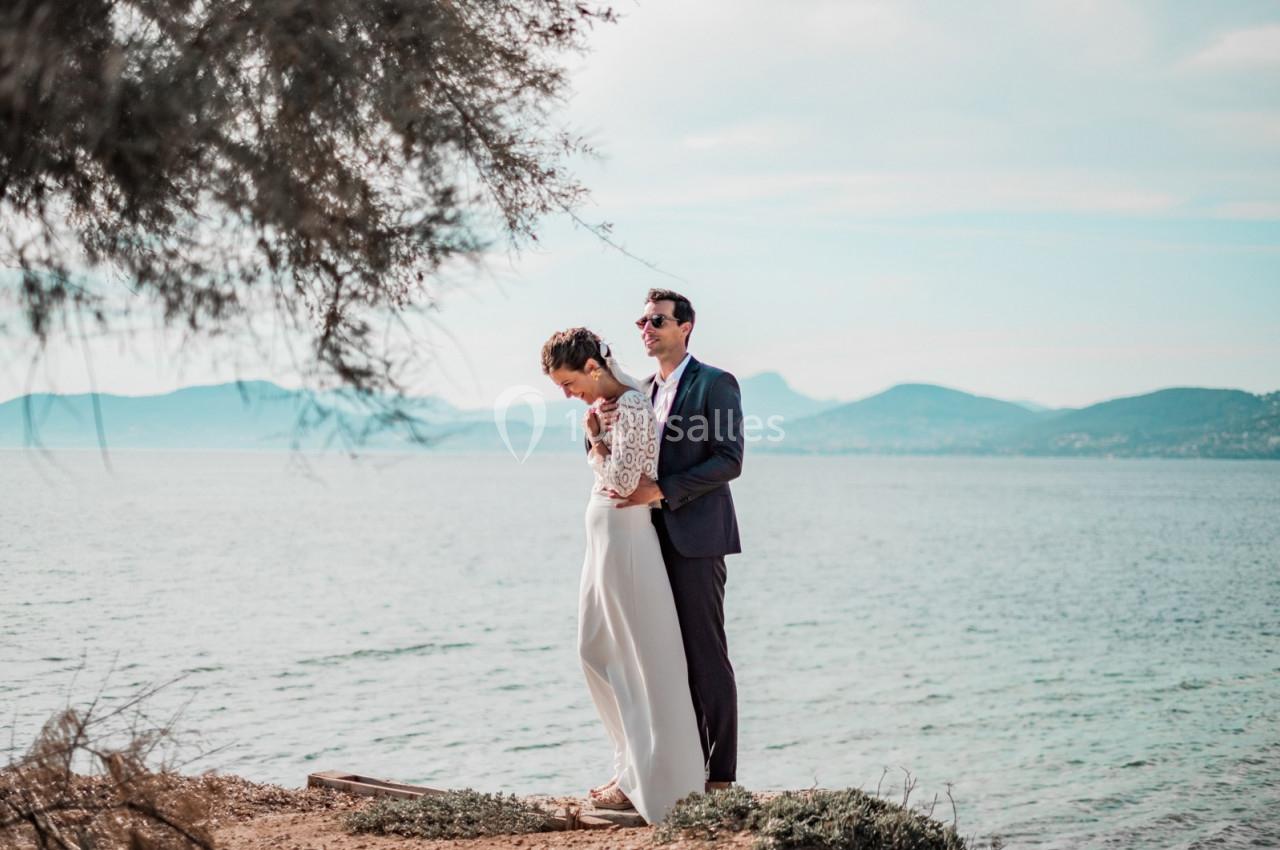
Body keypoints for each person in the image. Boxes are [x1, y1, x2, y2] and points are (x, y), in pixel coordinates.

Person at [541, 327, 705, 823]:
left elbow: (626, 483)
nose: (568, 395)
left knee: (638, 660)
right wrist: (598, 442)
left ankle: (653, 778)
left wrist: (594, 444)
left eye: (569, 383)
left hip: (627, 542)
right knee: (594, 650)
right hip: (604, 542)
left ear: (593, 368)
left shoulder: (632, 406)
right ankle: (627, 764)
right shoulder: (608, 407)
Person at [601, 288, 744, 792]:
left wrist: (661, 492)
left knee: (706, 658)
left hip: (697, 540)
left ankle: (720, 778)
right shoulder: (640, 392)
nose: (646, 328)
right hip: (647, 541)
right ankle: (678, 771)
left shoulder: (716, 383)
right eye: (641, 321)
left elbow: (730, 459)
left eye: (657, 320)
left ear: (686, 326)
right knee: (661, 658)